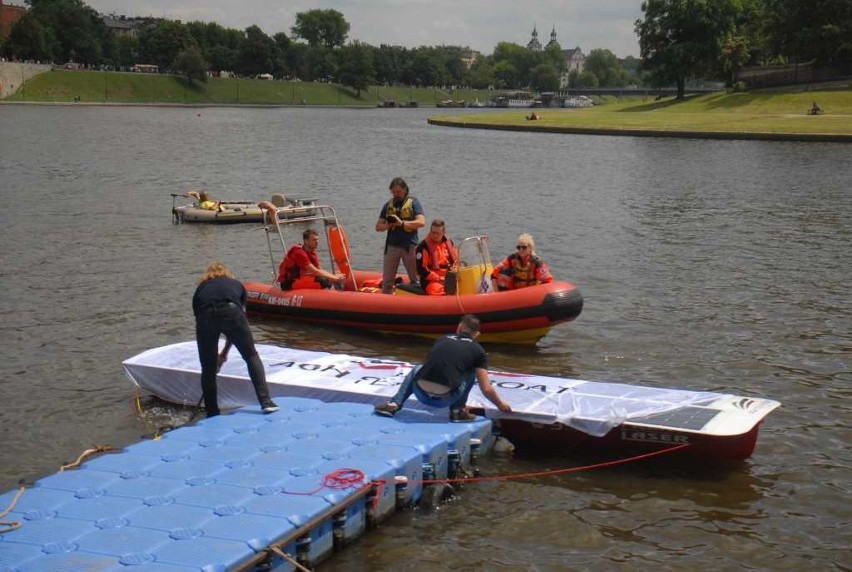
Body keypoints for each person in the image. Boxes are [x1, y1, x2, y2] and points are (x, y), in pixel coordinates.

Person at [373, 315, 512, 421]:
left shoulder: (442, 339)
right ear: (477, 335)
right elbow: (486, 388)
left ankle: (394, 404)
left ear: (459, 328)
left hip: (421, 393)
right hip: (446, 399)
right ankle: (457, 411)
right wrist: (500, 404)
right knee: (471, 372)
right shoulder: (478, 350)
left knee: (418, 368)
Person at [192, 261, 278, 417]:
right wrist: (225, 351)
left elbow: (198, 314)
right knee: (251, 356)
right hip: (231, 311)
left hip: (205, 315)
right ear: (227, 274)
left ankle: (212, 412)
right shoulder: (236, 284)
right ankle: (266, 402)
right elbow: (238, 318)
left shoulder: (201, 288)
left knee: (208, 368)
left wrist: (220, 354)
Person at [375, 177, 426, 294]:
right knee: (387, 281)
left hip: (410, 247)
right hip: (392, 246)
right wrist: (388, 225)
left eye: (398, 192)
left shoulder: (414, 203)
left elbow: (421, 222)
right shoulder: (388, 205)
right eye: (393, 192)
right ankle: (386, 304)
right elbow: (378, 227)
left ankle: (418, 303)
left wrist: (402, 223)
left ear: (405, 190)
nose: (396, 194)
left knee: (415, 279)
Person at [277, 229, 346, 290]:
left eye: (317, 239)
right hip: (288, 283)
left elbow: (319, 269)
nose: (317, 242)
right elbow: (315, 271)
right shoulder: (299, 253)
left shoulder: (312, 252)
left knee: (325, 279)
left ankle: (335, 292)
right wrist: (334, 278)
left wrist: (333, 278)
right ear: (306, 241)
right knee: (323, 281)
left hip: (299, 279)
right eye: (314, 240)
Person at [415, 219, 458, 296]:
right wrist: (438, 278)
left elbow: (456, 261)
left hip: (449, 277)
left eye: (437, 233)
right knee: (438, 291)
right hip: (432, 280)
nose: (435, 235)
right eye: (433, 232)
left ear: (443, 232)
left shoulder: (449, 243)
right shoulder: (423, 247)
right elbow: (421, 269)